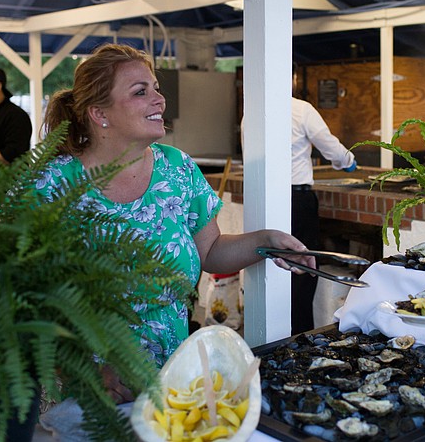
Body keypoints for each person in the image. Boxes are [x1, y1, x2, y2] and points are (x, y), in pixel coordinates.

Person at [36, 43, 315, 369]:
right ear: (100, 114)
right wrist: (88, 370)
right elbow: (24, 295)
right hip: (91, 386)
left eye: (156, 88)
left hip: (175, 376)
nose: (159, 99)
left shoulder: (177, 167)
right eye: (140, 92)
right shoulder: (51, 183)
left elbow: (210, 251)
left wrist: (266, 241)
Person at [288, 66, 357, 334]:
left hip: (263, 199)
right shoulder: (301, 109)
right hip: (297, 199)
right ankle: (299, 336)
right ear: (293, 79)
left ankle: (274, 335)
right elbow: (329, 145)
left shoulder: (253, 112)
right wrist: (348, 161)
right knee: (303, 271)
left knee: (274, 268)